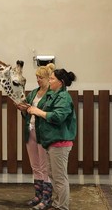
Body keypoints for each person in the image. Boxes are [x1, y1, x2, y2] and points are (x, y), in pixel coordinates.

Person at [26, 68, 77, 210]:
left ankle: (62, 206)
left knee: (60, 177)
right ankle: (57, 203)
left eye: (52, 79)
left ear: (60, 82)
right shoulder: (53, 95)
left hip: (60, 142)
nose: (50, 81)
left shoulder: (64, 97)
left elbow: (58, 116)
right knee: (53, 175)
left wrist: (39, 112)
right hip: (51, 142)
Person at [17, 63, 55, 210]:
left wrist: (34, 110)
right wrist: (23, 109)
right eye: (37, 77)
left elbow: (49, 114)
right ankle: (38, 195)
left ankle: (47, 198)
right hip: (30, 132)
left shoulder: (51, 95)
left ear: (48, 78)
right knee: (35, 166)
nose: (38, 80)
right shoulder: (33, 93)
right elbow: (27, 111)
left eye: (41, 77)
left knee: (45, 167)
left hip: (43, 134)